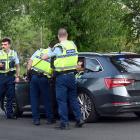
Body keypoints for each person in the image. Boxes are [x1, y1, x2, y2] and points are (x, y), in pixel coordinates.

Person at [42, 28, 84, 129]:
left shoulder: (59, 47)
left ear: (58, 36)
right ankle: (79, 119)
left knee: (62, 100)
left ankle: (64, 123)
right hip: (72, 76)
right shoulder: (72, 45)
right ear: (67, 35)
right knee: (73, 99)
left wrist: (45, 54)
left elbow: (45, 57)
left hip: (62, 77)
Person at [27, 47, 54, 125]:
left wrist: (28, 73)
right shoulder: (53, 54)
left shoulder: (39, 51)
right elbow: (55, 68)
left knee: (34, 99)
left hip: (34, 77)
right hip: (44, 78)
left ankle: (36, 119)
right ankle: (50, 119)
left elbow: (30, 61)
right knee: (47, 99)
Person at [0, 37, 20, 119]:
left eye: (5, 44)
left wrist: (17, 76)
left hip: (11, 77)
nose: (3, 46)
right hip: (1, 77)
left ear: (9, 45)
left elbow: (18, 66)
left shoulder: (14, 53)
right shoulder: (0, 53)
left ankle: (10, 114)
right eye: (2, 44)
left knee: (10, 96)